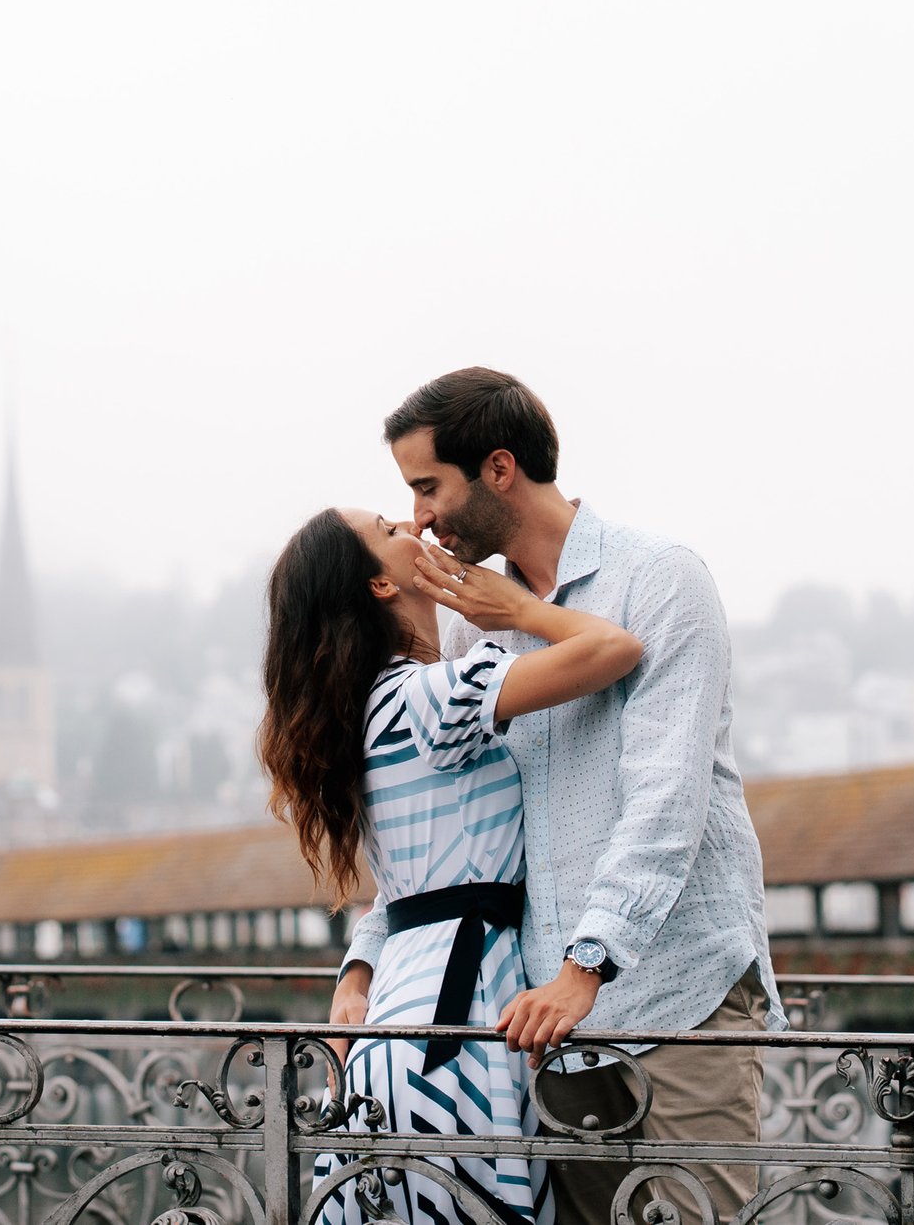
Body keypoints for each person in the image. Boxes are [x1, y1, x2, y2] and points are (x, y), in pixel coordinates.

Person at [336, 368, 783, 1225]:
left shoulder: (660, 579)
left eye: (428, 486)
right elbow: (448, 830)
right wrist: (365, 956)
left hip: (673, 997)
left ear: (498, 469)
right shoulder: (468, 625)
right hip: (547, 1026)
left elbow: (665, 802)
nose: (419, 515)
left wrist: (588, 969)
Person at [261, 505, 644, 1225]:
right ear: (380, 583)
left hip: (399, 1019)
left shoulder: (370, 705)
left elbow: (410, 881)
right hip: (459, 1022)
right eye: (390, 529)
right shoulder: (426, 697)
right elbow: (614, 647)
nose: (416, 528)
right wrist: (519, 608)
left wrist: (357, 967)